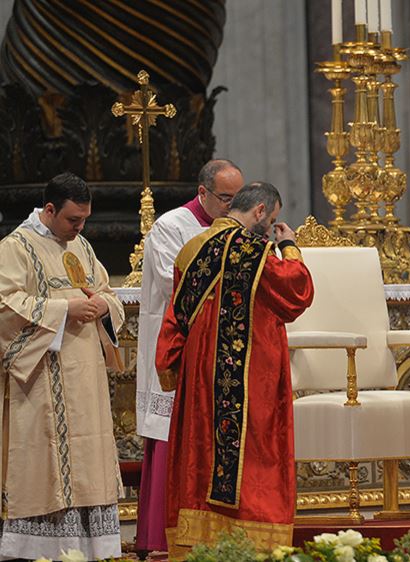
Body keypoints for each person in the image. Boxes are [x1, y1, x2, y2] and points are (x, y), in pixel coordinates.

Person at [156, 182, 314, 559]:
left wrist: (173, 367)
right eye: (272, 219)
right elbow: (297, 292)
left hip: (201, 374)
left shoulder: (191, 249)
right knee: (254, 452)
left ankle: (199, 547)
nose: (272, 225)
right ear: (259, 212)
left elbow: (175, 318)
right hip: (249, 370)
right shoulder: (251, 249)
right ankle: (252, 545)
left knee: (203, 454)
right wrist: (288, 245)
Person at [0, 172, 124, 560]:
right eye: (74, 220)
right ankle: (39, 551)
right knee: (48, 464)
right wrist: (63, 309)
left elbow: (106, 292)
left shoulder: (82, 246)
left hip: (85, 376)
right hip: (40, 378)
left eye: (85, 219)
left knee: (90, 461)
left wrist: (104, 305)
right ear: (49, 209)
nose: (81, 227)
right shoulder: (15, 247)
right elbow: (5, 305)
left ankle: (91, 549)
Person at [135, 159, 244, 554]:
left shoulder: (233, 227)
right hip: (178, 345)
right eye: (225, 198)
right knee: (172, 435)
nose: (232, 207)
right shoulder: (171, 227)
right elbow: (174, 281)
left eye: (238, 198)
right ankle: (159, 537)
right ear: (203, 193)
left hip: (218, 348)